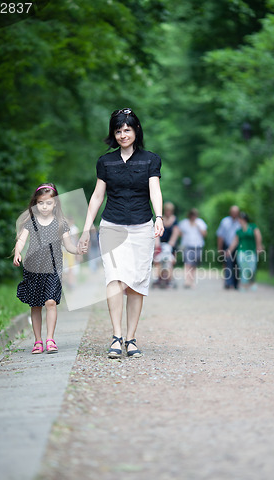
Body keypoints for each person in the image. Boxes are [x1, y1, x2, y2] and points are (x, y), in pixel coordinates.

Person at [77, 108, 164, 358]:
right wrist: (86, 228)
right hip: (112, 225)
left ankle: (131, 339)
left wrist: (158, 217)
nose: (123, 134)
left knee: (136, 283)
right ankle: (116, 337)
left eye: (127, 130)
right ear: (113, 134)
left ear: (136, 131)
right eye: (118, 130)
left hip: (141, 227)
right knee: (114, 279)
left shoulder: (150, 159)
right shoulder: (106, 162)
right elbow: (97, 196)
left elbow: (154, 191)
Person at [13, 183, 79, 354]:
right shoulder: (31, 222)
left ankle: (50, 339)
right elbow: (21, 239)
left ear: (55, 203)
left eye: (48, 203)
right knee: (35, 305)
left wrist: (78, 249)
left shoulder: (60, 223)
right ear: (35, 203)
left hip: (53, 268)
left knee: (50, 302)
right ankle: (37, 341)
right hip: (33, 268)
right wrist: (17, 252)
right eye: (41, 202)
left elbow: (69, 245)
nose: (44, 206)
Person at [227, 212, 263, 291]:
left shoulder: (253, 227)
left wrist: (259, 246)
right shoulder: (239, 231)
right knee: (243, 268)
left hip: (251, 251)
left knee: (252, 268)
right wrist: (229, 250)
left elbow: (258, 236)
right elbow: (235, 241)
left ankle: (252, 282)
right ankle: (244, 284)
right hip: (241, 252)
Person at [178, 208, 207, 288]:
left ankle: (191, 280)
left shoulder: (200, 222)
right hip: (187, 245)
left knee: (194, 264)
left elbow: (204, 234)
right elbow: (179, 232)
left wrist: (198, 227)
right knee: (187, 263)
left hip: (198, 246)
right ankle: (187, 281)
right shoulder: (184, 223)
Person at [153, 201, 180, 287]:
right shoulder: (160, 219)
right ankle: (159, 278)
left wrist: (170, 244)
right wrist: (157, 245)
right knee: (158, 261)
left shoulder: (175, 220)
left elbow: (175, 233)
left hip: (170, 245)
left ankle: (169, 279)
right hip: (160, 244)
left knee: (170, 261)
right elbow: (156, 231)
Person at [216, 205, 241, 289]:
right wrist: (220, 248)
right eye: (233, 212)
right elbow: (220, 235)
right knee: (228, 264)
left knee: (237, 265)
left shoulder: (241, 222)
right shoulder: (225, 221)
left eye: (236, 212)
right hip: (227, 245)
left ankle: (236, 283)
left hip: (239, 247)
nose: (234, 214)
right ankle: (228, 282)